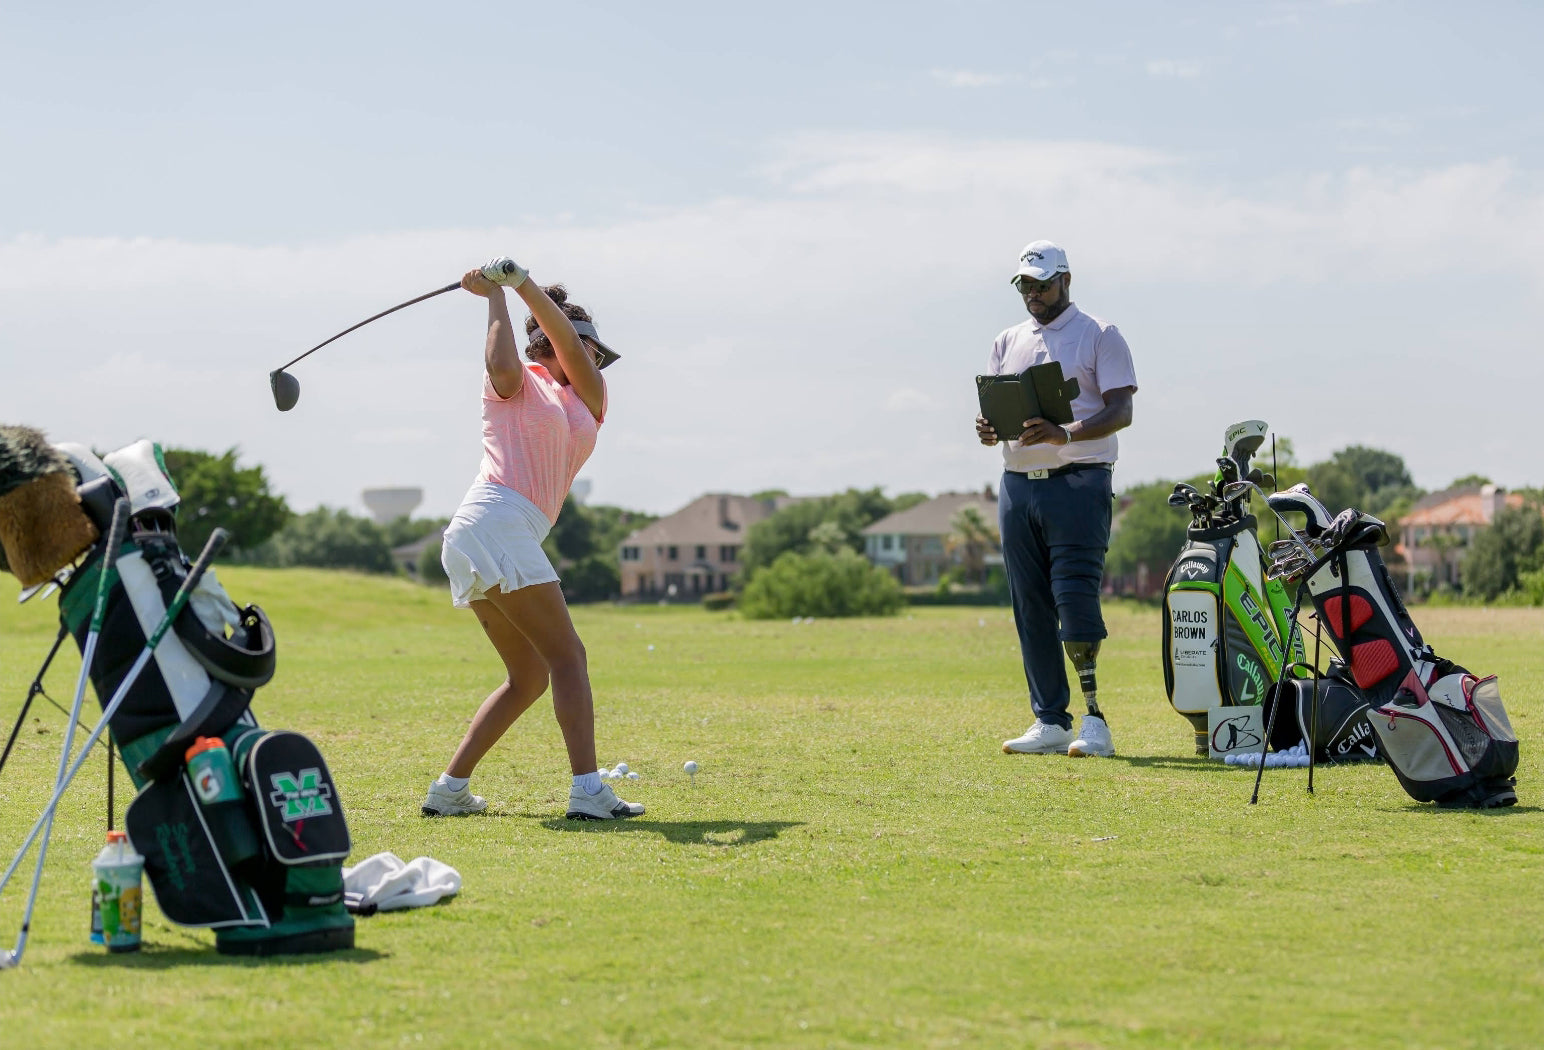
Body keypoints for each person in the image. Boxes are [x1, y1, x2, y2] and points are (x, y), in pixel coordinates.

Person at [421, 257, 641, 820]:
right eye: (593, 350)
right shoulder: (516, 382)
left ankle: (449, 789)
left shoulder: (589, 398)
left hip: (494, 532)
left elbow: (571, 351)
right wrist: (497, 296)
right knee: (568, 657)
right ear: (557, 343)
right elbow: (502, 363)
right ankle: (588, 790)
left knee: (528, 677)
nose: (596, 361)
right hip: (492, 521)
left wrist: (521, 284)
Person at [975, 240, 1137, 758]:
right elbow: (1000, 414)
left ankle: (1095, 721)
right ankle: (1050, 719)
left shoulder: (1099, 334)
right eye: (1025, 285)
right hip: (1018, 487)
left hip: (1079, 483)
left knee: (1075, 600)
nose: (1033, 294)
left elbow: (1121, 411)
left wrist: (1066, 433)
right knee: (1030, 604)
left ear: (1065, 280)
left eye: (1042, 284)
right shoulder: (1007, 340)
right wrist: (988, 429)